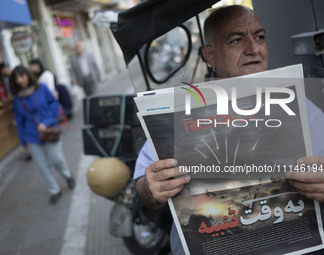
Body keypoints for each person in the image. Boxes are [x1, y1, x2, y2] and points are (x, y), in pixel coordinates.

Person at [134, 5, 324, 254]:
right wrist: (152, 187)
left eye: (259, 37)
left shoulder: (298, 106)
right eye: (237, 39)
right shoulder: (180, 112)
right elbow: (143, 187)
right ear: (210, 55)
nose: (253, 49)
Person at [10, 65, 75, 204]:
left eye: (22, 76)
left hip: (50, 129)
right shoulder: (17, 99)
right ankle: (54, 190)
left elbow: (55, 106)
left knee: (56, 159)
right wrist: (23, 141)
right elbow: (19, 121)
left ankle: (68, 175)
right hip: (32, 135)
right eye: (16, 78)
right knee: (42, 166)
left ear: (28, 75)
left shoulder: (42, 88)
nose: (20, 80)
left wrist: (45, 122)